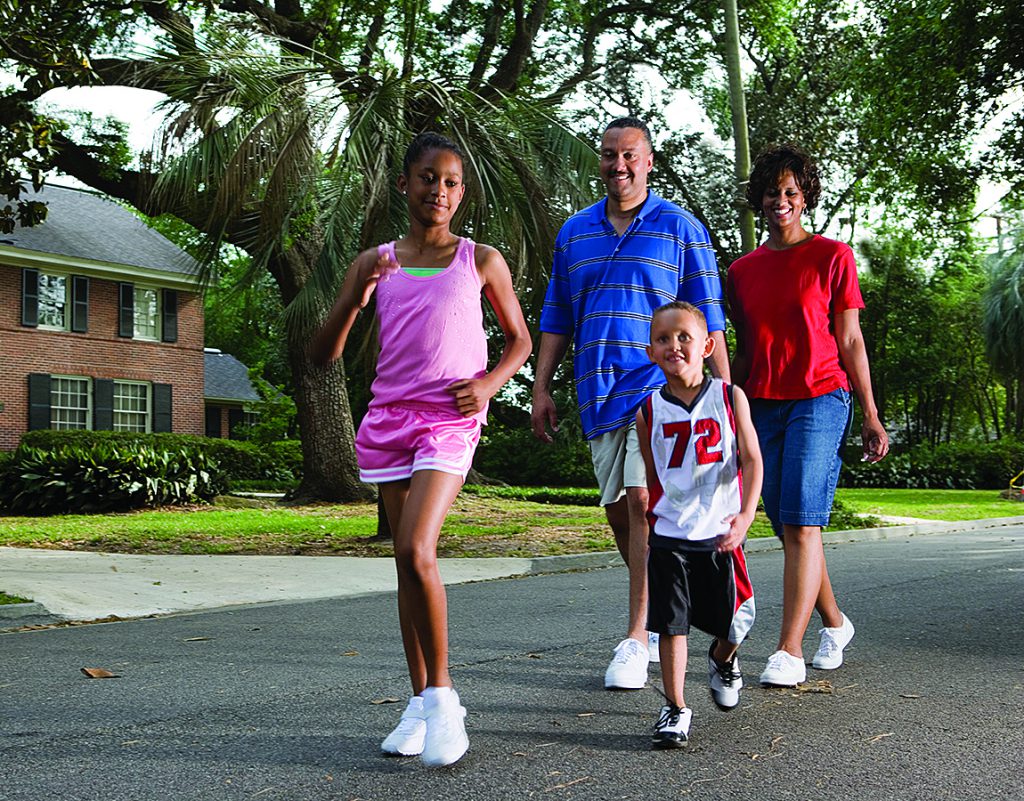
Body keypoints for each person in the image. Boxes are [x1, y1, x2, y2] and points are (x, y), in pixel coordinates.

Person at [312, 132, 532, 766]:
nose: (440, 190)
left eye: (452, 182)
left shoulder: (480, 260)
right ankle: (418, 705)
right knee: (404, 564)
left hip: (449, 420)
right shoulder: (373, 261)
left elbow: (517, 340)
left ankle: (443, 701)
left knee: (415, 547)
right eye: (428, 178)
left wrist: (489, 384)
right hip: (389, 420)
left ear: (462, 193)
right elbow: (321, 354)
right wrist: (357, 296)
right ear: (405, 185)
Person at [532, 117, 730, 691]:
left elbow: (709, 319)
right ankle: (674, 601)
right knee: (622, 515)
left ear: (648, 161)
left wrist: (725, 395)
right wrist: (541, 388)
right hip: (597, 391)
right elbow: (557, 317)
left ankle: (637, 636)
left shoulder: (681, 227)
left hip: (661, 392)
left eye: (629, 155)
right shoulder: (575, 232)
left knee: (645, 502)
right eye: (609, 155)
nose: (618, 165)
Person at [726, 144, 889, 688]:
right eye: (772, 192)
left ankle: (788, 650)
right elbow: (743, 350)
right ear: (760, 198)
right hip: (761, 404)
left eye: (791, 192)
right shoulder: (741, 270)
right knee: (788, 523)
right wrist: (728, 407)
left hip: (820, 397)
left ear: (806, 197)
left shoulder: (832, 256)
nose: (781, 201)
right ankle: (836, 623)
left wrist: (870, 411)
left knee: (801, 518)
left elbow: (849, 338)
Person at [636, 302, 762, 748]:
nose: (674, 346)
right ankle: (675, 707)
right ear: (651, 350)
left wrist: (745, 516)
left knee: (735, 623)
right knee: (671, 625)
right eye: (664, 339)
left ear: (707, 346)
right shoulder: (648, 410)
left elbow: (751, 458)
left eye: (684, 337)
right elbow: (653, 476)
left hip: (720, 535)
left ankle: (722, 657)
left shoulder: (729, 397)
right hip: (670, 536)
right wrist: (651, 520)